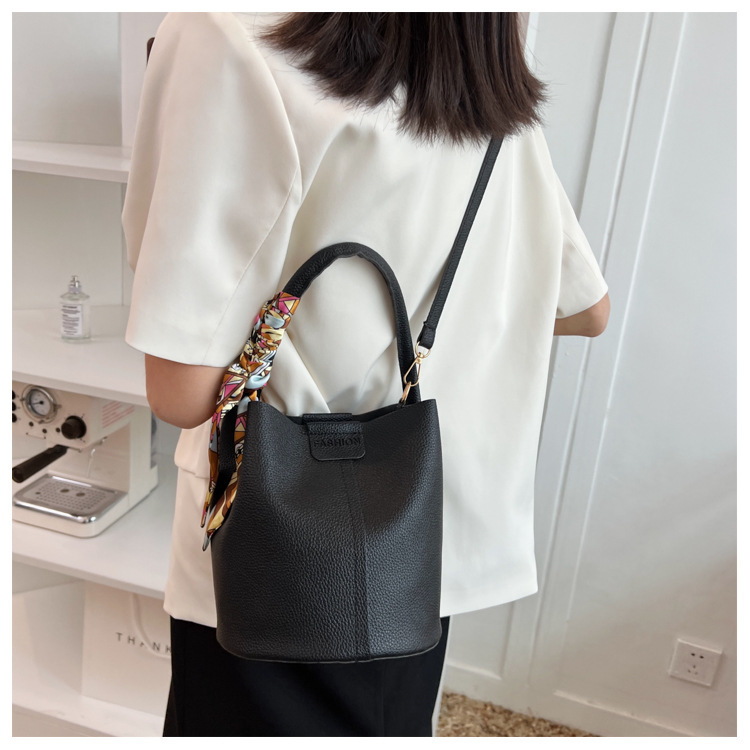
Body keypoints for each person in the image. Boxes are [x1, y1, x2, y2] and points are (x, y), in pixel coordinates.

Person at [123, 12, 610, 737]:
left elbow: (180, 393)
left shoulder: (228, 34)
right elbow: (586, 309)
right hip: (421, 539)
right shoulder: (476, 70)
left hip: (281, 551)